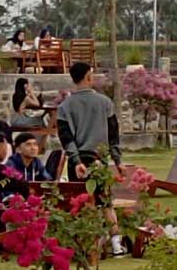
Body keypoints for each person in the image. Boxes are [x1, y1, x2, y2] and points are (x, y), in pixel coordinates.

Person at [57, 62, 125, 257]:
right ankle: (116, 245)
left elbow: (66, 137)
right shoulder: (105, 103)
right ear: (88, 76)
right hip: (98, 160)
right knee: (106, 203)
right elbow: (114, 135)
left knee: (79, 202)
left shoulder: (65, 106)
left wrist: (76, 160)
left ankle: (83, 243)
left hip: (77, 161)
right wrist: (118, 161)